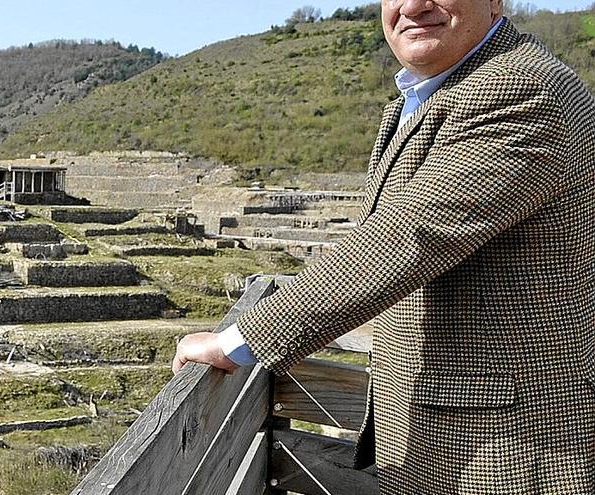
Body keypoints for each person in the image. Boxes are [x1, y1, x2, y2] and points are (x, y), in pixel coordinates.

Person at [171, 0, 595, 492]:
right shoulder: (429, 94)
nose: (413, 6)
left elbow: (406, 238)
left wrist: (234, 342)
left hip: (507, 450)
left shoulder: (520, 89)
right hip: (452, 434)